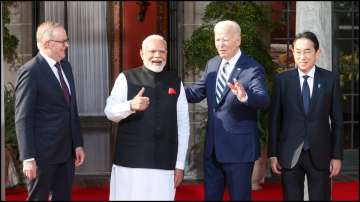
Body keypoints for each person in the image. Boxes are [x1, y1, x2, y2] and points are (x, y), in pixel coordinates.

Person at [185, 20, 270, 201]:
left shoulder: (252, 68)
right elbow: (197, 92)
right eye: (217, 40)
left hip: (239, 150)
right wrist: (172, 90)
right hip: (213, 148)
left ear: (238, 41)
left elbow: (263, 99)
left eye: (225, 39)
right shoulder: (212, 64)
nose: (220, 45)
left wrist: (245, 96)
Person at [104, 34, 190, 200]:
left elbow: (183, 125)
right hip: (130, 164)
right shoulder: (126, 78)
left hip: (164, 163)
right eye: (152, 51)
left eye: (162, 51)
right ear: (142, 54)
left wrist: (179, 164)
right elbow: (110, 112)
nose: (157, 56)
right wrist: (130, 106)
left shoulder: (175, 82)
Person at [268, 31, 343, 201]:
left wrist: (337, 156)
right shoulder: (282, 80)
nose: (302, 56)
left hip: (320, 153)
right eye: (298, 51)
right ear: (293, 52)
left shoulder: (330, 80)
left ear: (317, 53)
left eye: (307, 51)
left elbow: (338, 121)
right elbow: (274, 120)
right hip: (289, 154)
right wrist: (273, 154)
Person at [15, 21, 85, 200]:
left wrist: (77, 143)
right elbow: (23, 117)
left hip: (66, 153)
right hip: (42, 156)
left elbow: (71, 109)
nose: (67, 45)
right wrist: (28, 157)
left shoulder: (66, 67)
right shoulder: (30, 71)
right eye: (63, 41)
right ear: (47, 44)